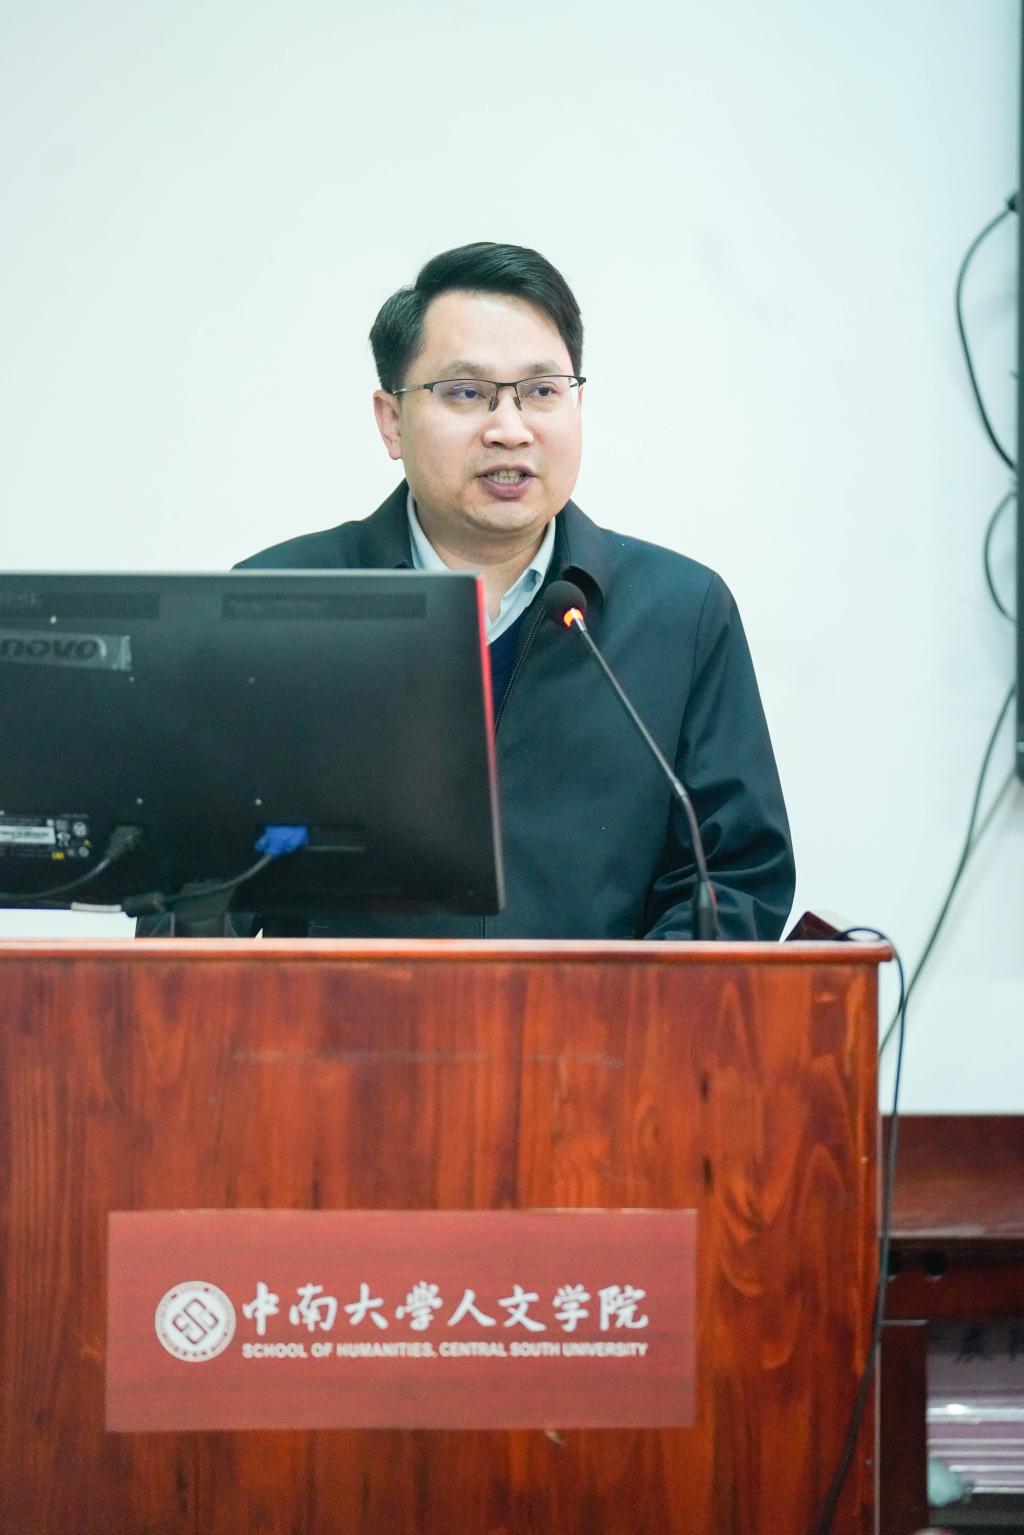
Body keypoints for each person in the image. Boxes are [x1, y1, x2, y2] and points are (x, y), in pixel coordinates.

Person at [239, 242, 795, 940]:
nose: (510, 429)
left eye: (541, 392)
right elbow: (202, 887)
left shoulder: (681, 615)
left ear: (577, 403)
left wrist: (626, 1002)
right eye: (466, 393)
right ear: (391, 420)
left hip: (604, 1015)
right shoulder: (276, 604)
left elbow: (734, 877)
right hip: (343, 1015)